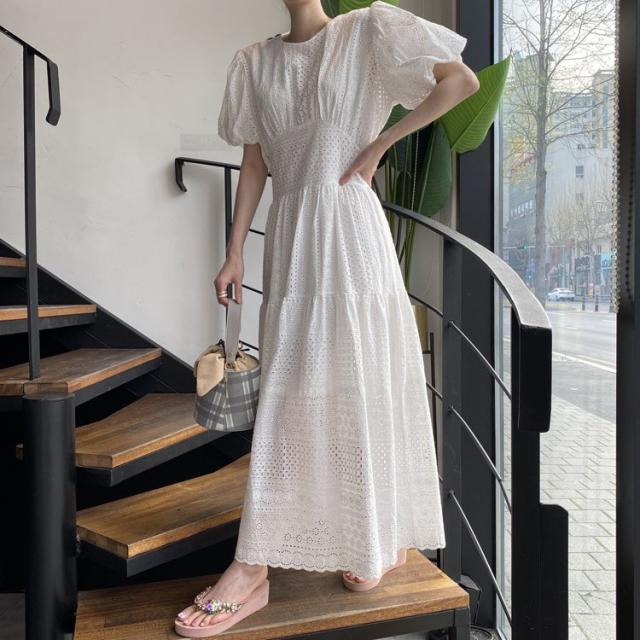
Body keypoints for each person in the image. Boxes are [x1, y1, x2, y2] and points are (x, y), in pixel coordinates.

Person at [175, 0, 479, 636]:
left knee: (360, 382)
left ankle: (376, 535)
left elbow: (460, 82)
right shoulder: (253, 63)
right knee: (293, 392)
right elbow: (255, 163)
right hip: (292, 239)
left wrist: (381, 143)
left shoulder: (368, 30)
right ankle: (253, 566)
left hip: (351, 231)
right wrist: (234, 250)